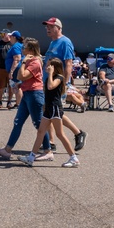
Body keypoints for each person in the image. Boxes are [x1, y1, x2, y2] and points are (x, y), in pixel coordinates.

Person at [0, 37, 53, 161]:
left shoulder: (34, 62)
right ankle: (7, 150)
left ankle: (48, 151)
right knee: (18, 122)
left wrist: (24, 63)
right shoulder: (31, 60)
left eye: (24, 47)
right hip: (27, 94)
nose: (22, 49)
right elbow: (24, 78)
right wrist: (20, 84)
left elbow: (21, 75)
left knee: (39, 124)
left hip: (35, 95)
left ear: (30, 49)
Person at [17, 58, 79, 168]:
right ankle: (31, 158)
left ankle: (73, 158)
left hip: (55, 108)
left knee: (60, 134)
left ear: (54, 67)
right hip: (49, 109)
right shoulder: (49, 78)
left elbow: (51, 86)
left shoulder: (59, 78)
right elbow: (48, 91)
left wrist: (50, 74)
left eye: (49, 66)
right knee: (40, 132)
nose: (47, 67)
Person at [42, 17, 88, 152]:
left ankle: (77, 133)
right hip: (49, 83)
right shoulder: (53, 42)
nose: (48, 29)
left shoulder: (65, 42)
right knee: (49, 111)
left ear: (58, 28)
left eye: (50, 26)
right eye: (47, 27)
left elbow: (68, 64)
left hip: (57, 84)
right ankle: (52, 141)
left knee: (54, 113)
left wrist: (65, 84)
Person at [5, 30, 24, 108]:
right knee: (16, 86)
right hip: (18, 68)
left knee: (17, 86)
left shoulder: (16, 46)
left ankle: (18, 104)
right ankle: (18, 103)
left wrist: (12, 71)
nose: (9, 38)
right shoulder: (20, 45)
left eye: (10, 36)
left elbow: (17, 58)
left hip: (16, 69)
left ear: (14, 37)